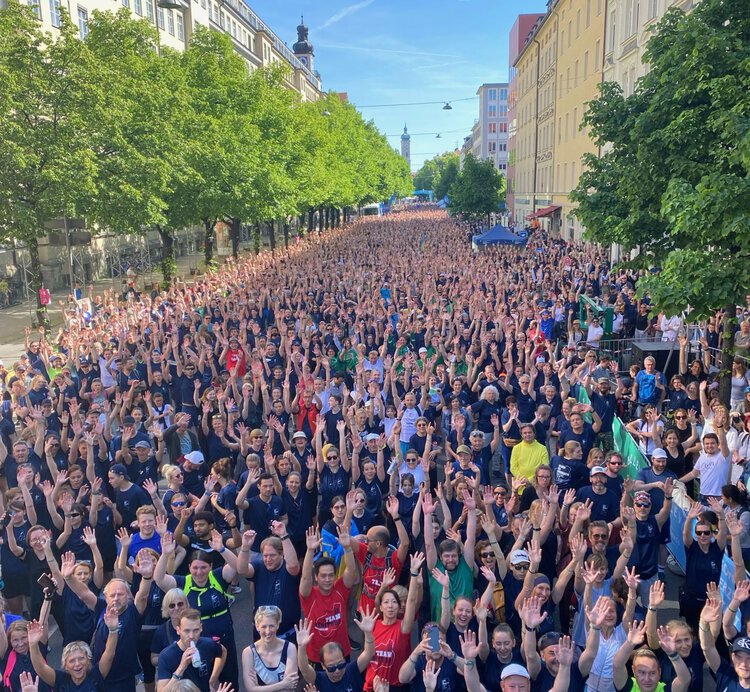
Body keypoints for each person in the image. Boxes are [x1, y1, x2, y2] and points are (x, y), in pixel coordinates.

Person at [298, 525, 358, 664]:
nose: (327, 579)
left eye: (331, 575)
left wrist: (347, 548)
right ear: (316, 577)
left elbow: (351, 569)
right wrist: (310, 550)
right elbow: (305, 578)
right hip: (316, 657)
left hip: (342, 653)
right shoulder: (309, 595)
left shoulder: (340, 589)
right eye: (323, 576)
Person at [26, 607, 119, 691]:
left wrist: (113, 630)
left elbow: (109, 653)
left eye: (81, 658)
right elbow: (41, 668)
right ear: (65, 665)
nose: (77, 664)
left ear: (88, 660)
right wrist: (33, 644)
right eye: (72, 661)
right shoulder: (60, 681)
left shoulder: (96, 676)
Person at [296, 608, 377, 691]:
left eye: (341, 665)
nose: (337, 671)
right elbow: (304, 669)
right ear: (323, 666)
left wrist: (368, 633)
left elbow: (369, 653)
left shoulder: (351, 670)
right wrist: (301, 647)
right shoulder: (319, 679)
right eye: (331, 668)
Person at [156, 608, 225, 692]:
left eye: (195, 630)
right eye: (187, 631)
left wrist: (212, 679)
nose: (191, 636)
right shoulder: (166, 656)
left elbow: (223, 651)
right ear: (178, 630)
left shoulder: (207, 644)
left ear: (201, 628)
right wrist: (181, 667)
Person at [241, 606, 298, 692]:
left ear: (278, 625)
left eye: (271, 626)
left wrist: (260, 688)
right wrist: (283, 684)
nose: (267, 631)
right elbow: (251, 689)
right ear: (257, 627)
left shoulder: (290, 648)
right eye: (263, 627)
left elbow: (289, 688)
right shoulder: (248, 653)